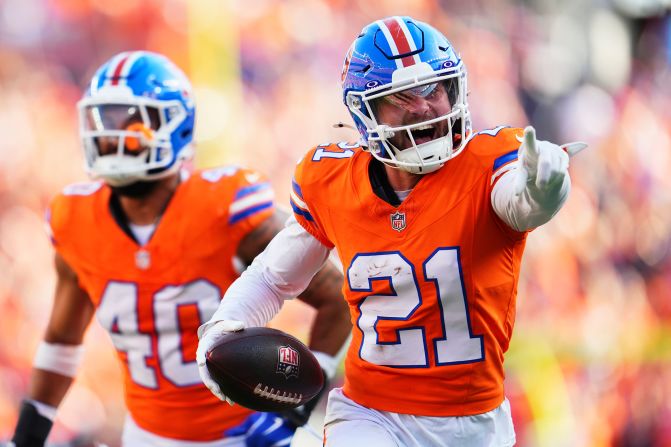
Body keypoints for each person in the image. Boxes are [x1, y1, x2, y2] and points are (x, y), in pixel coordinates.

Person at [197, 16, 588, 447]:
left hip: (475, 420)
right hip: (371, 415)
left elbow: (523, 204)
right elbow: (273, 277)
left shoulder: (489, 165)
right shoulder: (333, 182)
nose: (423, 107)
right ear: (365, 113)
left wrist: (547, 187)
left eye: (434, 89)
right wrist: (225, 324)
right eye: (401, 98)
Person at [10, 51, 350, 447]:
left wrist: (294, 406)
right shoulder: (75, 217)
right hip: (146, 437)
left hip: (242, 436)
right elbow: (60, 343)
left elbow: (336, 298)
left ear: (176, 125)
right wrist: (27, 437)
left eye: (132, 122)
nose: (113, 136)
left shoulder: (225, 208)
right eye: (103, 121)